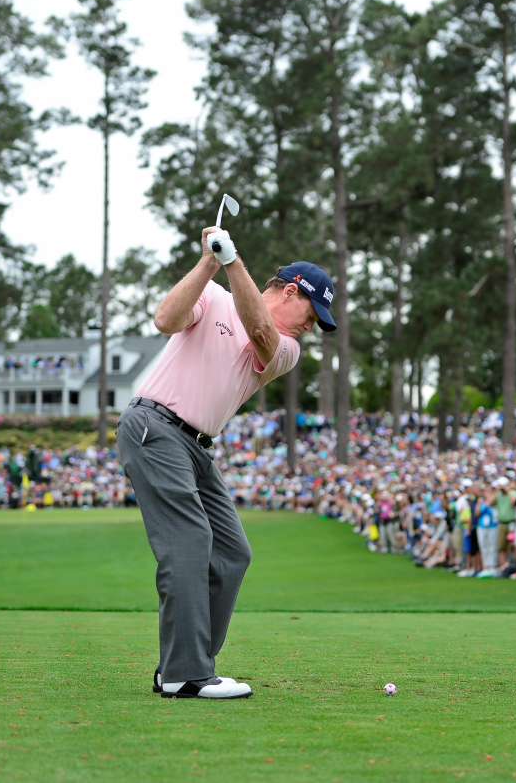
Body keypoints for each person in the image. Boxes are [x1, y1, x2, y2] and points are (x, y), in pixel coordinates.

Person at [118, 225, 331, 700]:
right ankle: (186, 675)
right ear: (292, 292)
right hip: (154, 425)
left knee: (232, 552)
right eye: (312, 315)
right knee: (190, 541)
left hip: (196, 444)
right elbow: (165, 319)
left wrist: (233, 261)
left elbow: (258, 329)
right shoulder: (211, 296)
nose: (310, 327)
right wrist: (208, 264)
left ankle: (185, 665)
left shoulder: (286, 349)